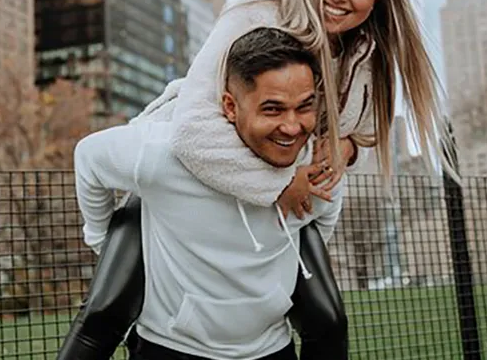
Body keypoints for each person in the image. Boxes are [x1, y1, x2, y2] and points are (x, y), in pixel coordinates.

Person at [57, 0, 455, 358]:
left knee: (328, 319)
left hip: (280, 175)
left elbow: (360, 131)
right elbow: (192, 130)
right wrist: (279, 188)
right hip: (189, 168)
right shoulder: (253, 16)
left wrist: (343, 147)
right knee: (107, 309)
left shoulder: (364, 55)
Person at [72, 27, 345, 360]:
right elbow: (88, 156)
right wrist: (100, 239)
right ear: (230, 107)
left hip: (272, 350)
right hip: (171, 349)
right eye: (272, 109)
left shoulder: (317, 169)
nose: (292, 127)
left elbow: (322, 223)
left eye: (304, 107)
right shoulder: (163, 155)